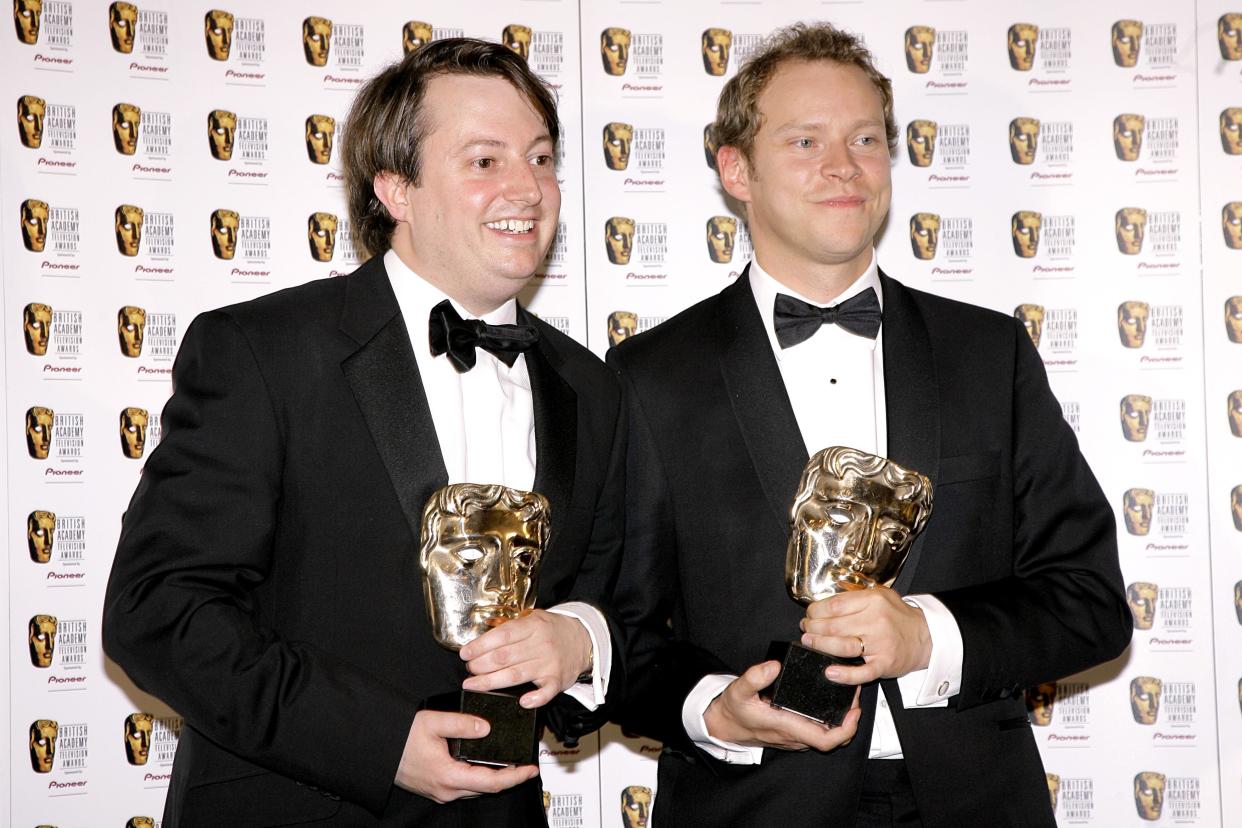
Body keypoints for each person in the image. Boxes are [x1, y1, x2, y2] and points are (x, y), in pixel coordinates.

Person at [607, 23, 1130, 827]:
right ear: (735, 170)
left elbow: (1088, 601)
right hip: (751, 809)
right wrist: (713, 708)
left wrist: (928, 638)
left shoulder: (989, 354)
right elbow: (620, 636)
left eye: (865, 138)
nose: (843, 166)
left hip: (976, 805)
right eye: (805, 140)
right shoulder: (650, 378)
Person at [103, 38, 625, 827]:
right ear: (395, 189)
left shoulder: (592, 386)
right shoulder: (263, 351)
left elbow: (622, 595)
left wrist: (579, 638)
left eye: (542, 157)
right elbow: (157, 610)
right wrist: (378, 742)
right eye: (485, 161)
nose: (529, 187)